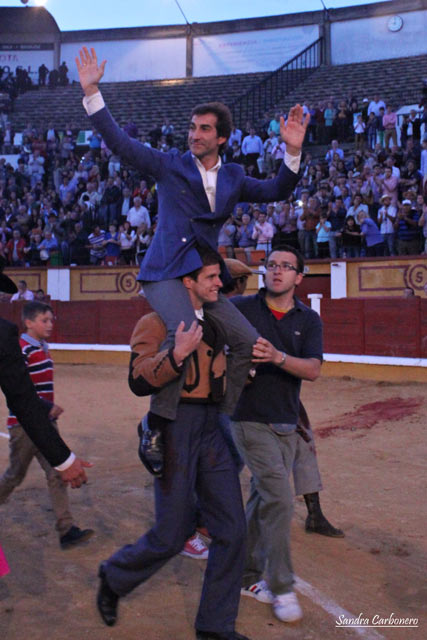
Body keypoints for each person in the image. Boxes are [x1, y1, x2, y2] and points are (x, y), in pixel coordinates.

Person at [76, 46, 307, 426]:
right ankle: (158, 421)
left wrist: (293, 150)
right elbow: (120, 143)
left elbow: (277, 189)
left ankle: (227, 415)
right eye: (192, 127)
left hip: (202, 276)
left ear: (222, 139)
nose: (194, 135)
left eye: (204, 129)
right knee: (186, 334)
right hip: (165, 272)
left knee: (249, 343)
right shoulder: (169, 166)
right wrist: (92, 94)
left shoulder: (233, 177)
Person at [97, 249, 250, 640]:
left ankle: (215, 628)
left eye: (220, 277)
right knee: (171, 533)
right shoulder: (154, 322)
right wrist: (176, 354)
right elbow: (138, 380)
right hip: (175, 427)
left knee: (233, 528)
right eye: (212, 277)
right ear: (187, 282)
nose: (219, 284)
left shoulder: (218, 321)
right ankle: (115, 577)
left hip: (212, 427)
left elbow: (224, 376)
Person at [230, 246, 323, 624]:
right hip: (248, 418)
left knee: (261, 498)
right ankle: (281, 585)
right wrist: (237, 364)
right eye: (271, 265)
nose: (277, 271)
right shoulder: (241, 308)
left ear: (299, 277)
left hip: (286, 420)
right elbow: (213, 342)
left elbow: (313, 369)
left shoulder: (309, 319)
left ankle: (247, 574)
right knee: (282, 499)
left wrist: (277, 358)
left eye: (286, 267)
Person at [0, 302, 94, 549]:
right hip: (23, 425)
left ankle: (67, 530)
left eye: (51, 320)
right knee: (14, 476)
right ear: (28, 322)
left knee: (56, 472)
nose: (50, 325)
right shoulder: (19, 347)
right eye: (44, 320)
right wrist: (45, 406)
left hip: (45, 424)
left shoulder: (41, 347)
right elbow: (17, 390)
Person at [0, 263, 91, 488]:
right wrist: (64, 459)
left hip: (38, 416)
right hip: (27, 420)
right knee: (15, 474)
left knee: (38, 474)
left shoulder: (33, 345)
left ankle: (66, 524)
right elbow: (21, 397)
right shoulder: (6, 337)